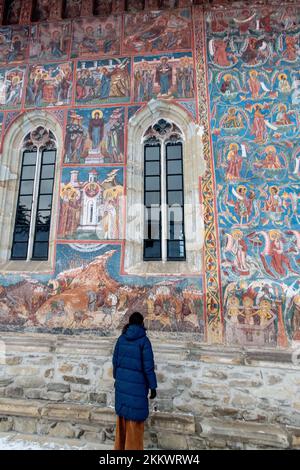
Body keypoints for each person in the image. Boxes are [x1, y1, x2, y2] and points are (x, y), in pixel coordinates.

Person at [113, 311, 157, 451]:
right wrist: (153, 387)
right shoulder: (144, 341)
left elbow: (115, 362)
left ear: (130, 323)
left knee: (122, 420)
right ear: (141, 323)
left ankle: (119, 448)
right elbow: (148, 367)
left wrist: (117, 379)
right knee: (135, 422)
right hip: (137, 388)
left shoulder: (121, 339)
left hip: (122, 385)